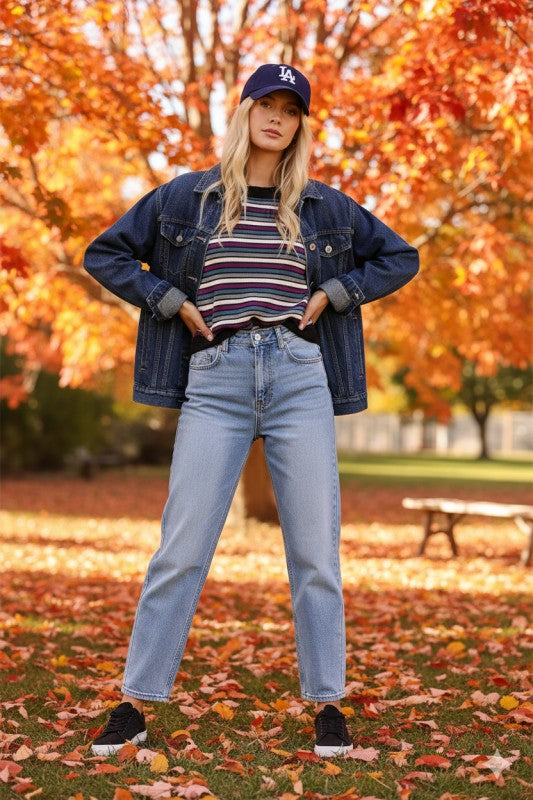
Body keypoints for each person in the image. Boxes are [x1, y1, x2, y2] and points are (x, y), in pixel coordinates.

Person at [84, 63, 419, 758]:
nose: (276, 117)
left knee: (314, 552)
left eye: (289, 109)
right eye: (264, 104)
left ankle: (327, 704)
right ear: (243, 114)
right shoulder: (187, 197)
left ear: (298, 124)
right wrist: (169, 302)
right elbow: (106, 252)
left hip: (300, 375)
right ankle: (135, 703)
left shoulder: (324, 206)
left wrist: (334, 293)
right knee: (180, 548)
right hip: (216, 377)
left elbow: (399, 256)